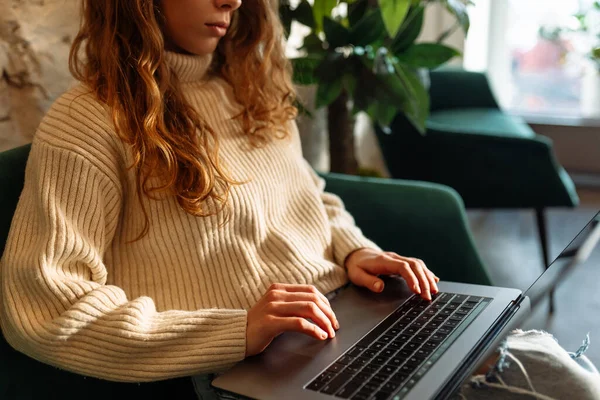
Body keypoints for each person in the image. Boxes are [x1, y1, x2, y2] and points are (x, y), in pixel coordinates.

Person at [0, 1, 598, 400]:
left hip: (349, 324)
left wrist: (355, 251)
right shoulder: (90, 120)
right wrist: (236, 332)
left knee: (561, 377)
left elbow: (312, 195)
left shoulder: (248, 89)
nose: (232, 0)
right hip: (247, 375)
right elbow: (46, 310)